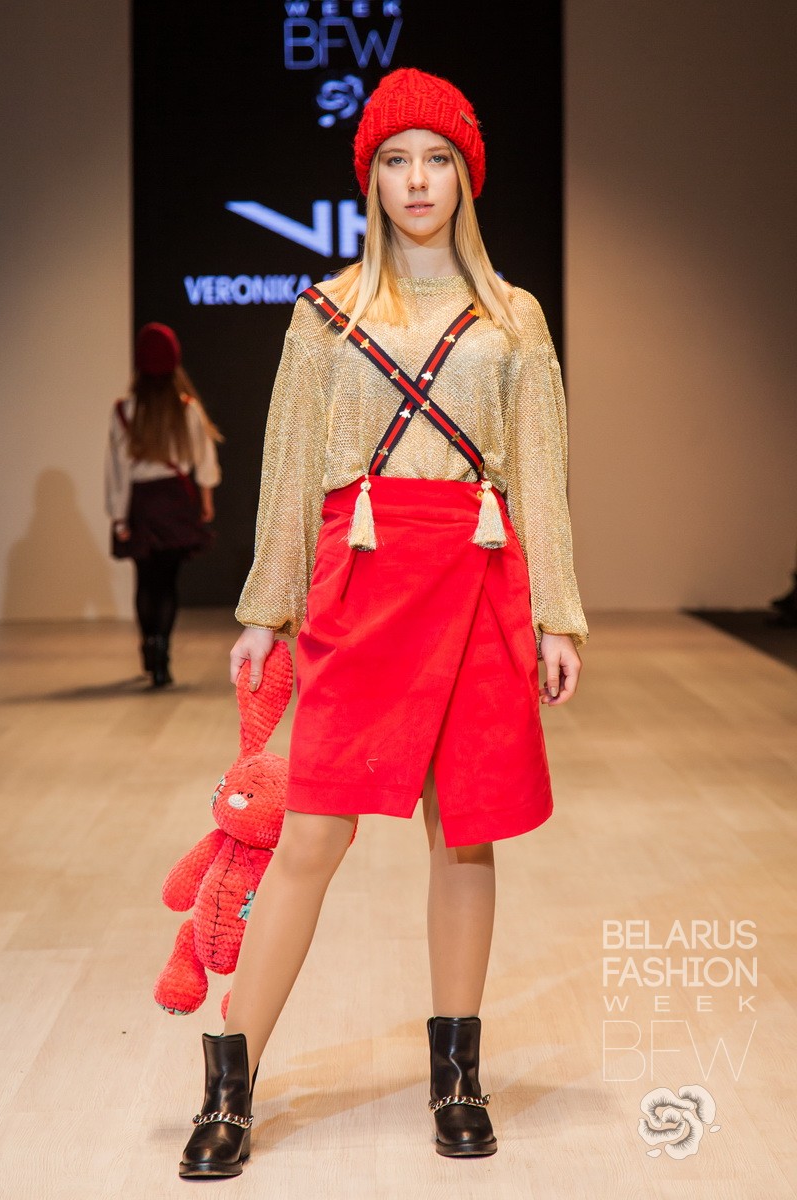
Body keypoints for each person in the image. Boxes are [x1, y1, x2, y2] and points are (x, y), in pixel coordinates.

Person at [177, 67, 588, 1178]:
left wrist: (557, 615)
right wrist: (265, 609)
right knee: (311, 835)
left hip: (479, 582)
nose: (417, 180)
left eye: (436, 159)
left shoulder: (513, 317)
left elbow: (539, 473)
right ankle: (229, 1087)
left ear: (465, 176)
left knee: (465, 833)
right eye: (396, 160)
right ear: (370, 178)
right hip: (360, 585)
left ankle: (456, 1077)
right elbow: (287, 471)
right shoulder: (326, 313)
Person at [105, 322, 222, 688]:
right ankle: (163, 658)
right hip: (176, 501)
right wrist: (205, 501)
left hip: (141, 504)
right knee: (168, 582)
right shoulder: (187, 409)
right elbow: (204, 458)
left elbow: (117, 470)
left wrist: (119, 518)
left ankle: (149, 646)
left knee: (145, 580)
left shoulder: (125, 411)